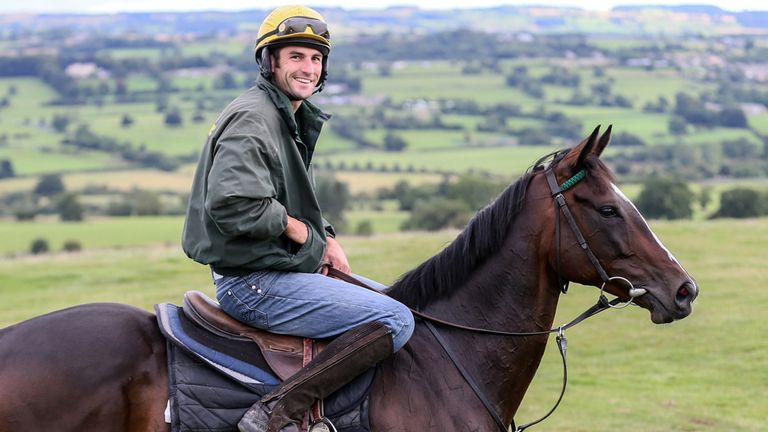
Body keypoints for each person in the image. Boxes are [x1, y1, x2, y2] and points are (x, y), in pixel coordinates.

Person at [181, 5, 415, 432]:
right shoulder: (254, 119)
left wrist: (325, 237)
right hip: (253, 283)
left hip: (275, 269)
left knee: (412, 306)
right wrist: (304, 233)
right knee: (395, 320)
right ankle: (277, 411)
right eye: (296, 57)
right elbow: (236, 204)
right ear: (270, 61)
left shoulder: (284, 115)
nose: (308, 68)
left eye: (316, 58)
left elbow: (289, 197)